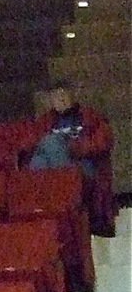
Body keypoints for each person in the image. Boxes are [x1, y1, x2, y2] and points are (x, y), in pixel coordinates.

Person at [23, 81, 115, 235]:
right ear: (50, 100)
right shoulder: (45, 121)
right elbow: (28, 144)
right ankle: (60, 203)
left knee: (51, 142)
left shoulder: (88, 116)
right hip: (53, 169)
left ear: (73, 95)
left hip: (84, 167)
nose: (61, 99)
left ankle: (41, 209)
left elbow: (104, 140)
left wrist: (75, 146)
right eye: (56, 96)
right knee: (39, 159)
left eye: (64, 94)